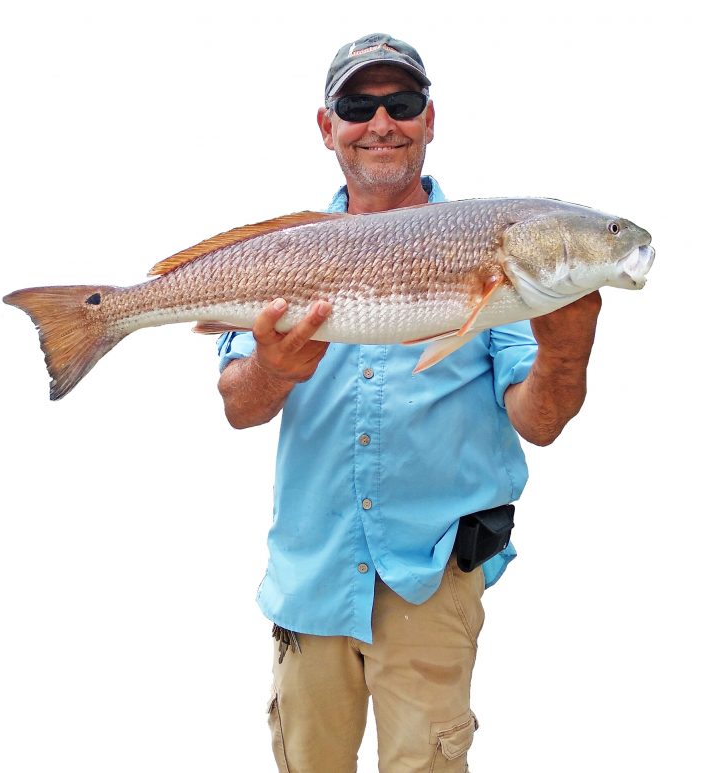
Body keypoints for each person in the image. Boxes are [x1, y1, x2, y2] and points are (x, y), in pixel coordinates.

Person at [217, 32, 601, 773]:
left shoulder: (501, 248)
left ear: (430, 118)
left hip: (429, 579)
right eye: (358, 105)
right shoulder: (281, 250)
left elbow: (541, 421)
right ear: (327, 126)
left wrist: (565, 347)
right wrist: (271, 366)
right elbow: (238, 405)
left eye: (403, 101)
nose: (382, 120)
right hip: (311, 578)